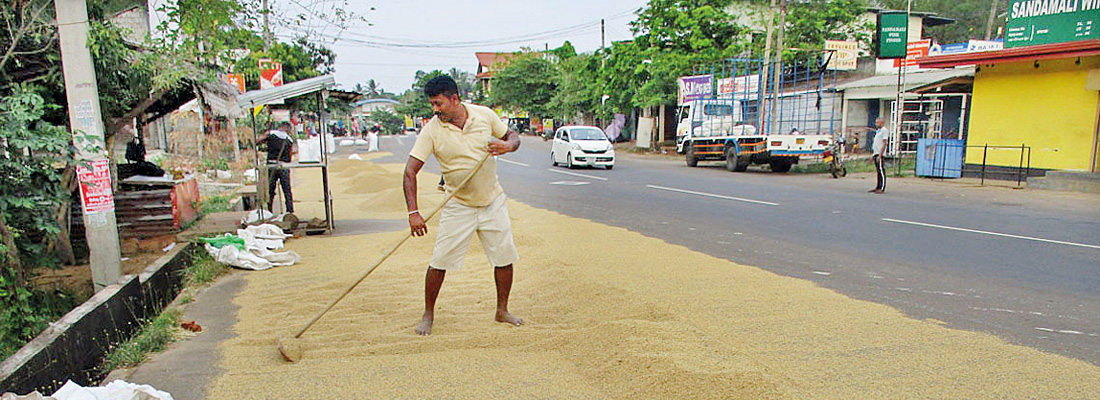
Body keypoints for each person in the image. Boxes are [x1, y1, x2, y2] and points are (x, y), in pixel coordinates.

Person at [403, 75, 523, 336]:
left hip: (492, 199)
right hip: (458, 204)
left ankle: (502, 310)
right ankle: (428, 314)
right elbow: (410, 172)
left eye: (438, 103)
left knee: (504, 256)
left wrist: (507, 146)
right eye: (432, 104)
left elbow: (513, 137)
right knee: (439, 260)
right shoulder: (432, 130)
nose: (434, 109)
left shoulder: (484, 115)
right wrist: (414, 213)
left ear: (454, 99)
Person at [258, 122, 296, 213]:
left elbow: (257, 141)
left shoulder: (271, 134)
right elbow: (290, 157)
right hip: (284, 167)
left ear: (280, 127)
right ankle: (290, 211)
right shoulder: (289, 140)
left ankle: (269, 210)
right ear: (288, 129)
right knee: (287, 190)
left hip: (271, 165)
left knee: (270, 189)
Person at [870, 117, 888, 194]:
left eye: (878, 123)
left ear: (882, 123)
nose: (876, 124)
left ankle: (882, 187)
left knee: (881, 170)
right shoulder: (878, 131)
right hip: (876, 152)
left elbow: (884, 142)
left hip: (880, 153)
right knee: (878, 171)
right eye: (876, 122)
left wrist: (880, 154)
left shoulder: (884, 130)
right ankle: (878, 186)